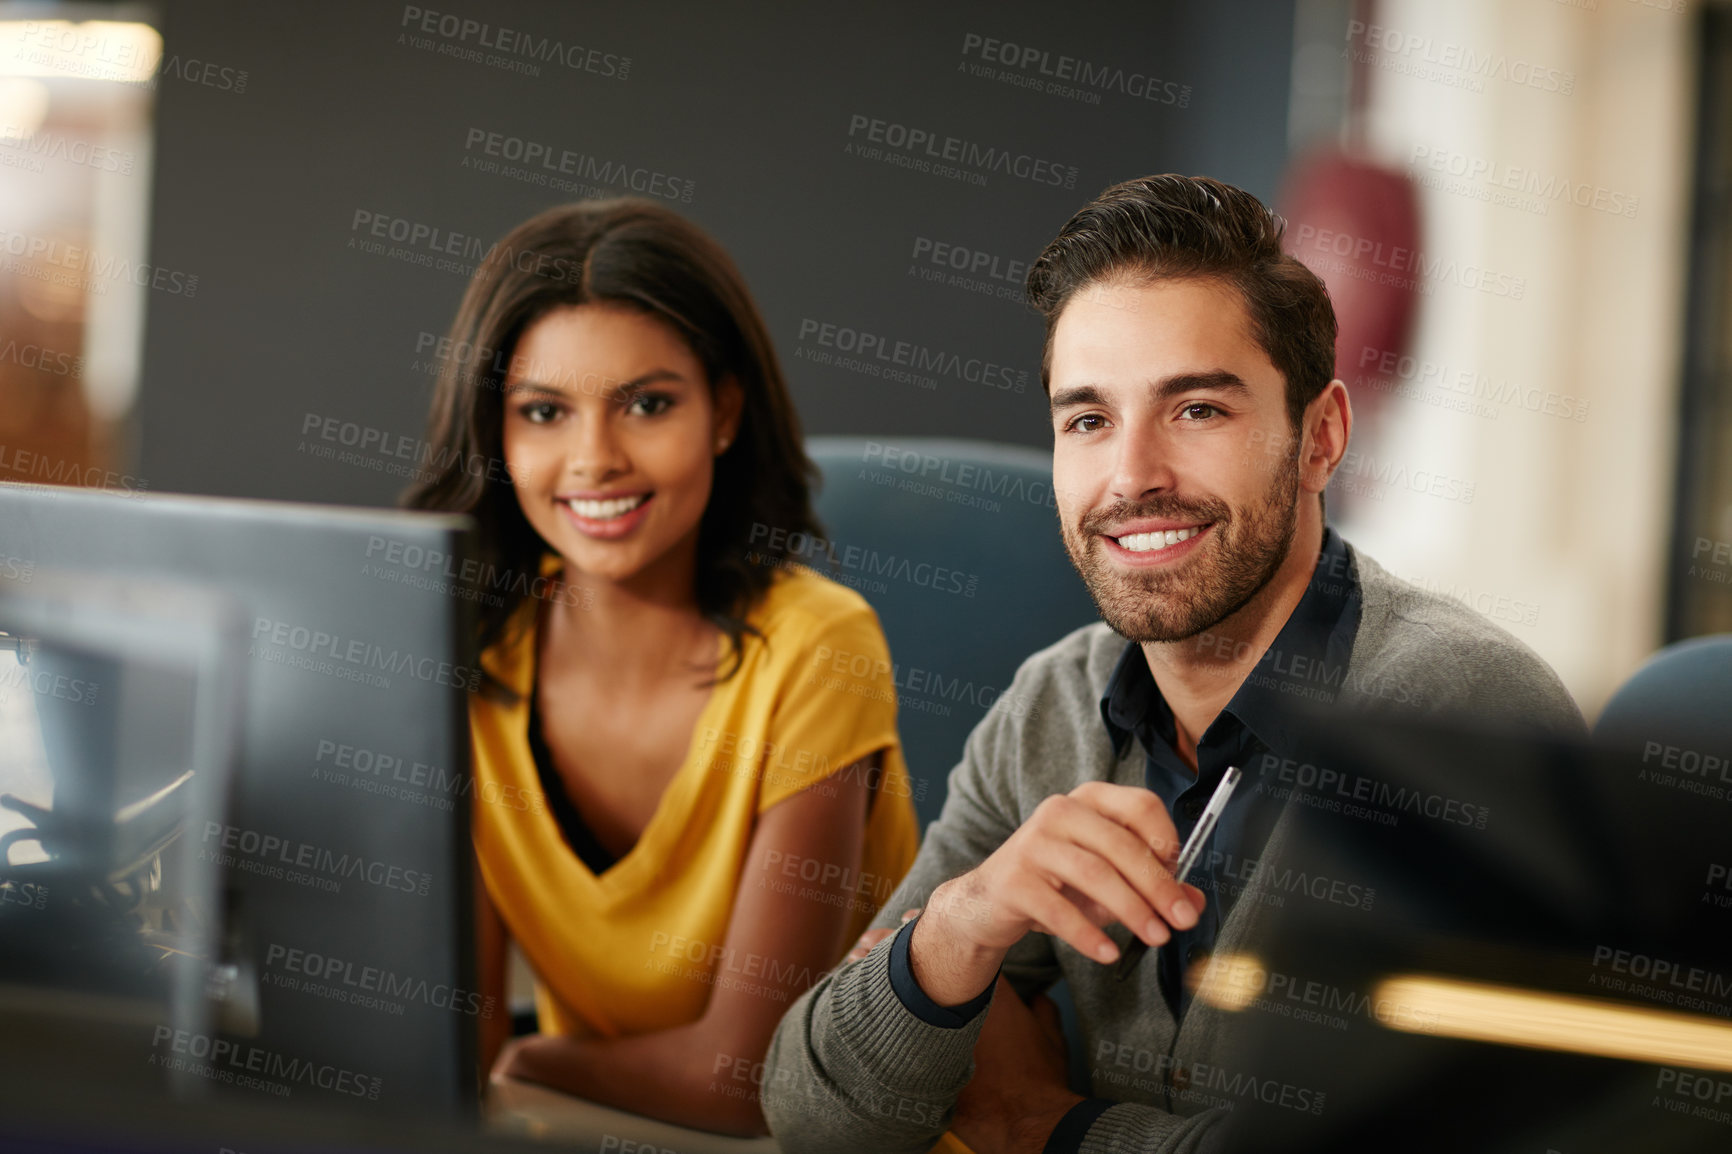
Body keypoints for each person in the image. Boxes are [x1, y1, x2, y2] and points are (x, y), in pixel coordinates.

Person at [761, 174, 1585, 1153]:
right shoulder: (1052, 704)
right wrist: (958, 928)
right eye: (1088, 419)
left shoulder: (1459, 714)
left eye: (1195, 409)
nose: (1131, 476)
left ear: (1319, 436)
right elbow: (809, 1110)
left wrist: (1047, 1126)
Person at [404, 199, 918, 1136]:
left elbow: (747, 1079)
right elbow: (450, 1051)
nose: (594, 459)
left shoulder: (819, 644)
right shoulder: (468, 649)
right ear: (497, 431)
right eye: (544, 412)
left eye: (646, 404)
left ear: (722, 411)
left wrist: (538, 1058)